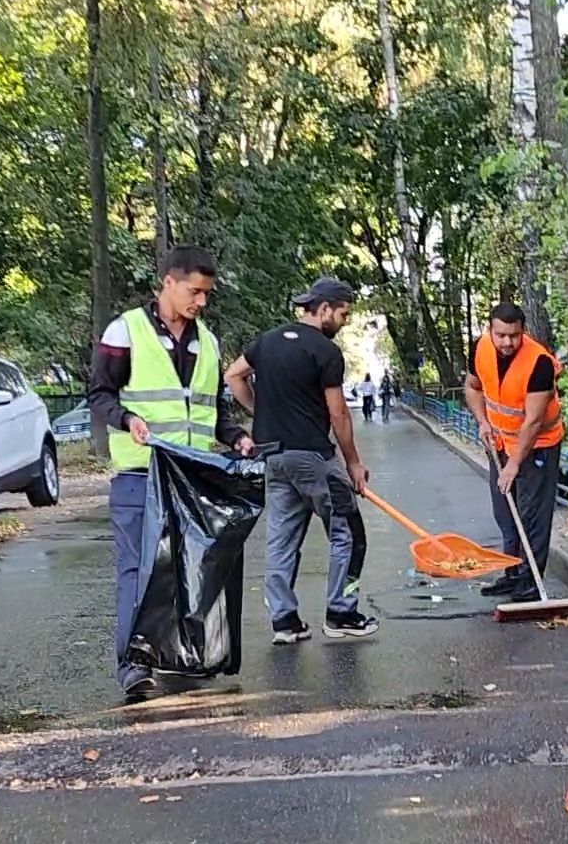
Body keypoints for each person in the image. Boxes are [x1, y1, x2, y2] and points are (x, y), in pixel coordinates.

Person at [89, 245, 255, 702]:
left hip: (192, 478)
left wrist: (235, 436)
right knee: (139, 571)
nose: (201, 302)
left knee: (187, 570)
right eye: (194, 292)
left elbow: (212, 410)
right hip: (141, 475)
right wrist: (126, 420)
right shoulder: (125, 331)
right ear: (168, 282)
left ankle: (181, 657)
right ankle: (132, 666)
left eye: (206, 295)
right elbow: (100, 395)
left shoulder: (208, 342)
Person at [224, 275, 377, 644]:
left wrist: (261, 413)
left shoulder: (268, 342)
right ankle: (341, 612)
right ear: (324, 309)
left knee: (282, 537)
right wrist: (353, 462)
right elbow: (338, 413)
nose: (343, 322)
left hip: (273, 457)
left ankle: (285, 620)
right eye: (343, 314)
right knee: (349, 533)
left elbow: (233, 375)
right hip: (313, 458)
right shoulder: (325, 352)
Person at [462, 302, 563, 605]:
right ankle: (512, 573)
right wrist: (482, 422)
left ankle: (531, 582)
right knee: (505, 511)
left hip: (539, 446)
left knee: (531, 515)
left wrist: (514, 464)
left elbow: (533, 421)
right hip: (501, 443)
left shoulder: (539, 363)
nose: (507, 342)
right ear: (489, 330)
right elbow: (472, 386)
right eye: (501, 335)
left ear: (523, 332)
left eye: (514, 335)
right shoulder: (479, 348)